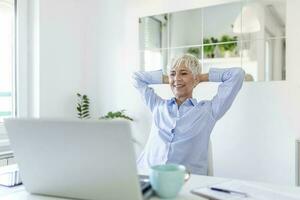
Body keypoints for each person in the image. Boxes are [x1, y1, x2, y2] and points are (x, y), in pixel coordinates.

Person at [132, 54, 245, 175]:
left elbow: (237, 74)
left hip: (185, 181)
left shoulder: (208, 111)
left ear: (195, 79)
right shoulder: (157, 106)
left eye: (184, 73)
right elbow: (136, 78)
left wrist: (201, 77)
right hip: (148, 176)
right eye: (173, 73)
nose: (177, 78)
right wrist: (169, 79)